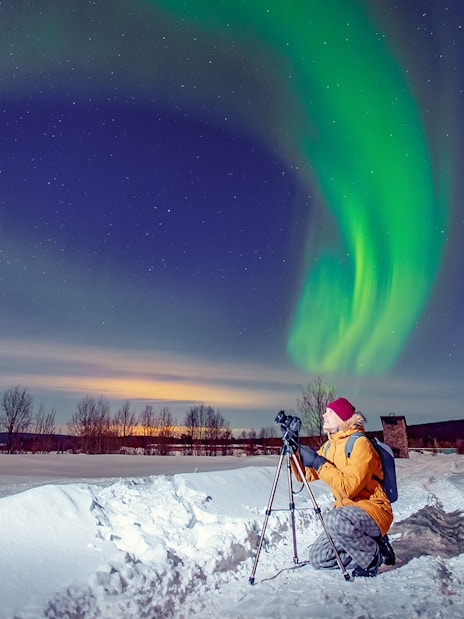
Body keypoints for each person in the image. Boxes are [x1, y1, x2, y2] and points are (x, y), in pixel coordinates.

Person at [292, 397, 395, 577]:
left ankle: (372, 558)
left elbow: (349, 488)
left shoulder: (360, 444)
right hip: (346, 516)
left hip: (373, 511)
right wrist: (293, 450)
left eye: (329, 411)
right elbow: (304, 476)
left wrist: (318, 462)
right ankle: (372, 544)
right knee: (318, 558)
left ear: (342, 417)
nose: (324, 415)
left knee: (333, 519)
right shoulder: (329, 446)